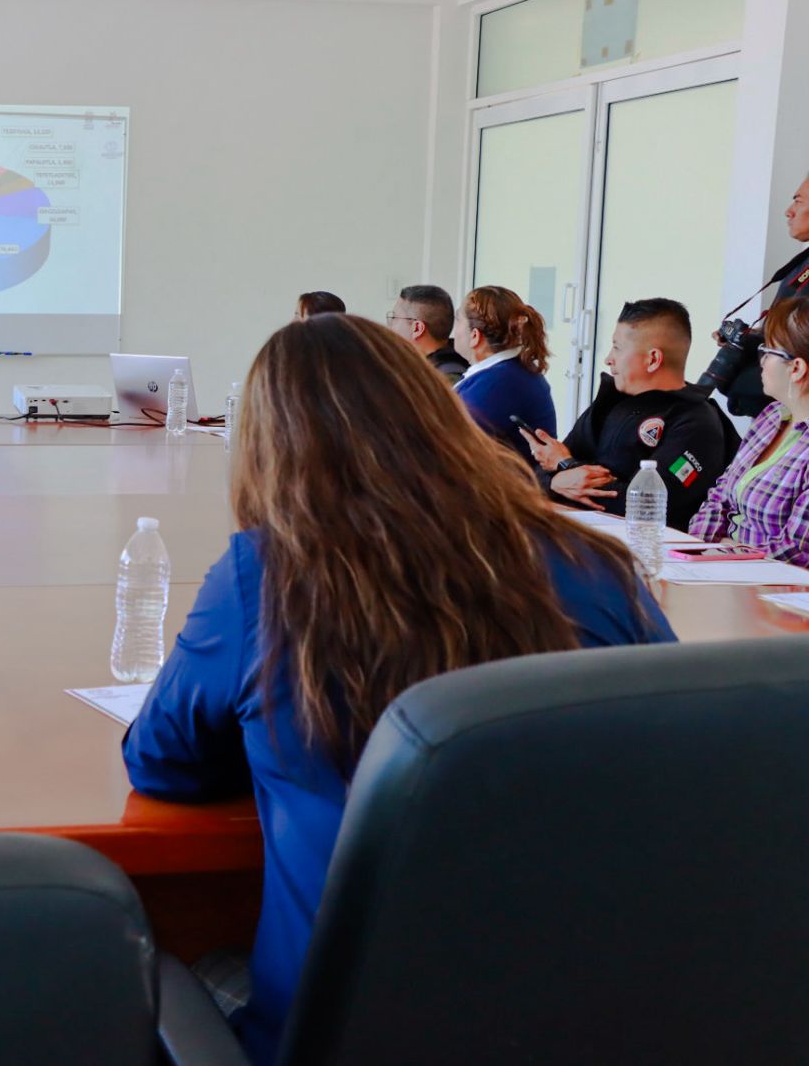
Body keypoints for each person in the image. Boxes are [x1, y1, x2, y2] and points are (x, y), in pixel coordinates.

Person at [121, 314, 675, 1066]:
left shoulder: (266, 573)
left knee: (177, 971)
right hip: (588, 1021)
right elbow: (666, 755)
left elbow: (162, 765)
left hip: (350, 1034)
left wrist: (280, 745)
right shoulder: (593, 561)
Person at [522, 298, 737, 531]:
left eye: (617, 347)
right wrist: (556, 480)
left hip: (637, 548)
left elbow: (650, 505)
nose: (608, 359)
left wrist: (566, 467)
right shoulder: (610, 402)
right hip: (571, 533)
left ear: (652, 359)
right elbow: (542, 471)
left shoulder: (696, 422)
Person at [689, 297, 809, 564]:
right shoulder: (772, 416)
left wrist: (724, 554)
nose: (761, 360)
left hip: (769, 581)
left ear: (797, 368)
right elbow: (720, 495)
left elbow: (797, 551)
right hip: (718, 567)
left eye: (769, 351)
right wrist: (698, 549)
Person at [700, 174, 809, 417]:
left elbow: (800, 341)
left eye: (798, 201)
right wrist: (748, 338)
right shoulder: (803, 263)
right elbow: (790, 331)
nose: (789, 211)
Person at [452, 285, 556, 462]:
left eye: (458, 320)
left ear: (474, 336)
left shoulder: (498, 384)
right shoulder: (505, 373)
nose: (453, 330)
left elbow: (451, 447)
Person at [387, 283, 467, 383]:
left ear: (417, 328)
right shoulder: (419, 367)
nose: (390, 325)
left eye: (394, 318)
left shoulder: (445, 380)